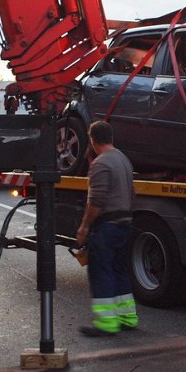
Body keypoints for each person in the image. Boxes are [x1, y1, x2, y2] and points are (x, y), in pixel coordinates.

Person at [76, 121, 139, 336]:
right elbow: (132, 193)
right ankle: (127, 317)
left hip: (106, 226)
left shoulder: (100, 164)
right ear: (111, 137)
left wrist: (84, 227)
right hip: (125, 223)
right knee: (119, 270)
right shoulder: (123, 160)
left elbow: (97, 201)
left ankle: (106, 323)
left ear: (92, 140)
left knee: (101, 271)